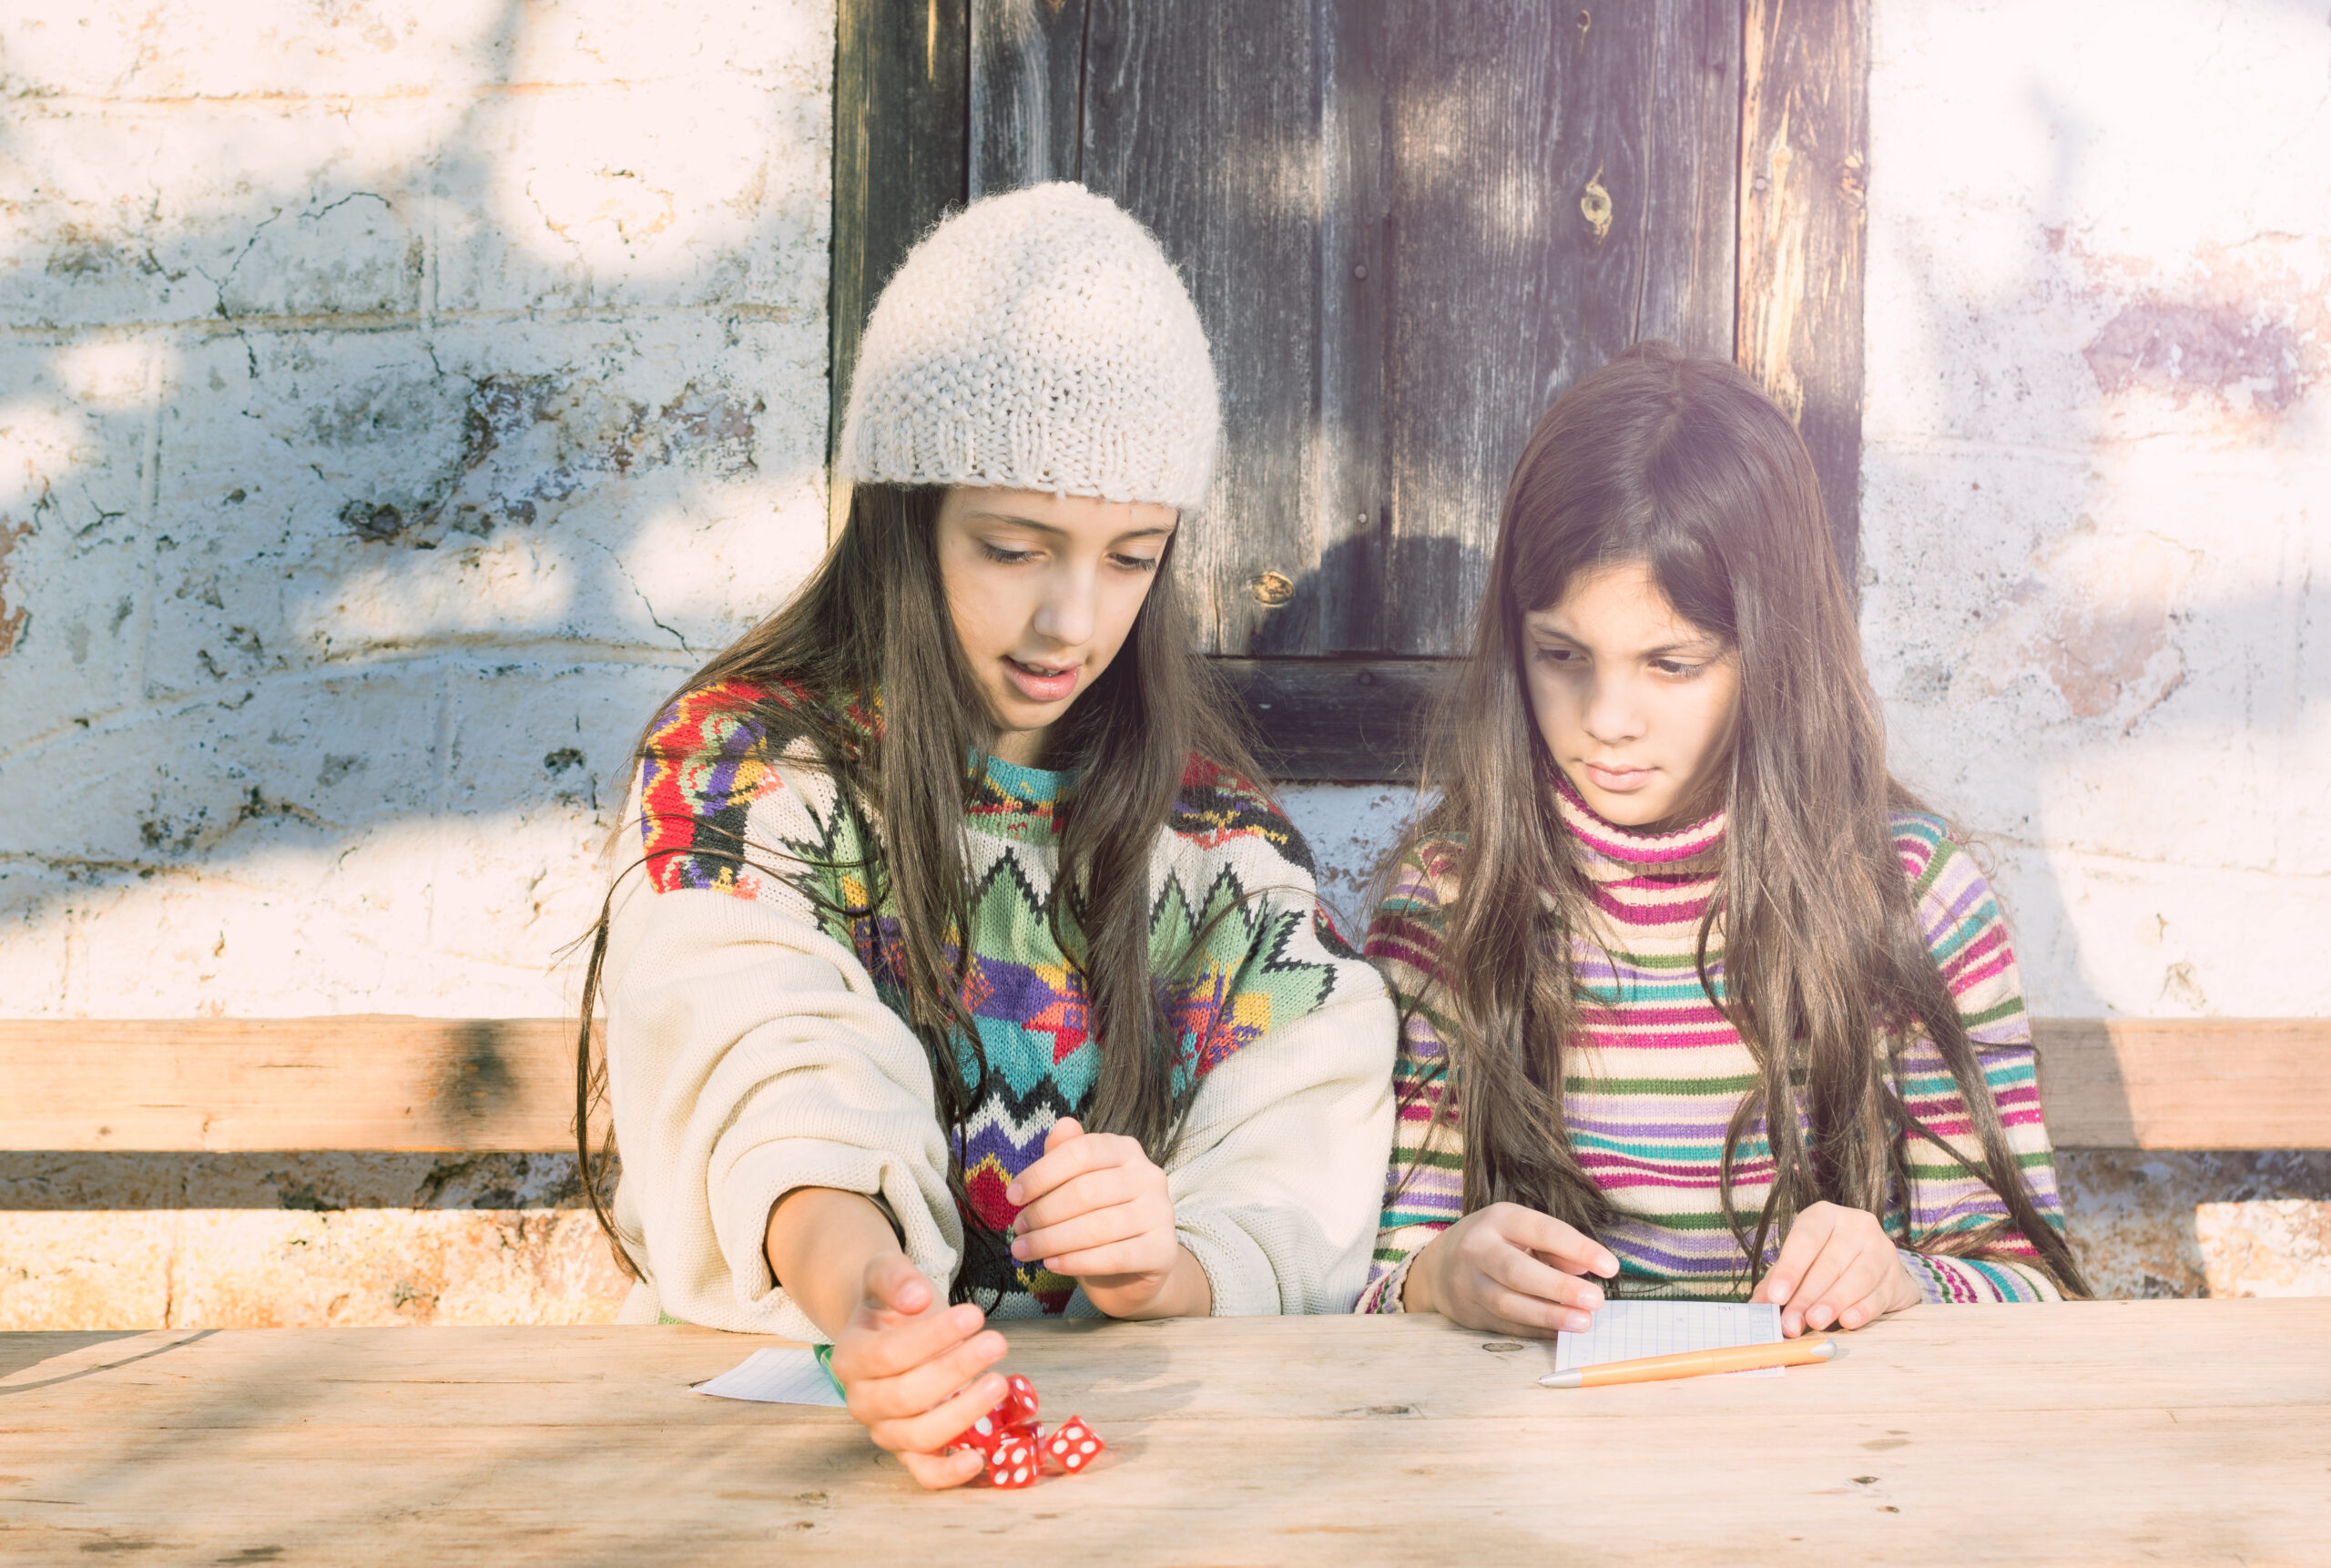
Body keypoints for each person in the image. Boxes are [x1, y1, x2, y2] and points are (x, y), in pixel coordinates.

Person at [575, 183, 1395, 1487]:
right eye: (1016, 545)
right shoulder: (743, 771)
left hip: (1125, 1477)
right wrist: (871, 1301)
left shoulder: (1219, 849)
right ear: (907, 519)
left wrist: (1172, 1265)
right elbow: (773, 1065)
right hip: (761, 1453)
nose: (1072, 619)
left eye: (1132, 556)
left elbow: (1302, 1131)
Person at [1359, 341, 2088, 1339]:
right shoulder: (1455, 896)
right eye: (1561, 655)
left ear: (1771, 655)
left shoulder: (1912, 895)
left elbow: (2036, 1290)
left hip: (1834, 1465)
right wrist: (1437, 1279)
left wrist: (1905, 1278)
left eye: (1672, 664)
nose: (1607, 718)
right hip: (1537, 1461)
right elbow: (1375, 1279)